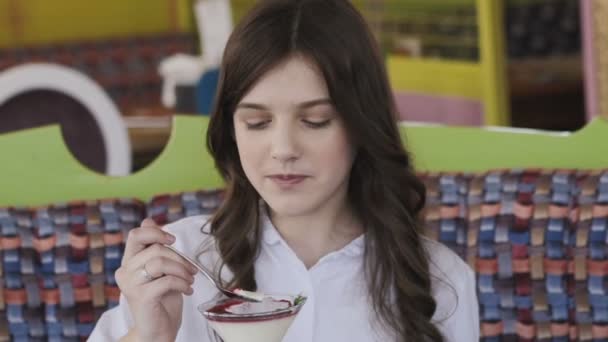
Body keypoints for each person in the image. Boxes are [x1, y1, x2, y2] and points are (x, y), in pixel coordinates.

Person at [89, 0, 479, 341]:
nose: (284, 150)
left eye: (315, 121)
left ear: (362, 125)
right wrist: (149, 336)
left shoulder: (441, 281)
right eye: (257, 123)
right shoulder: (179, 263)